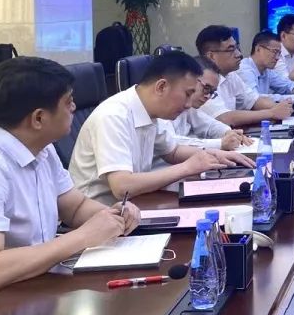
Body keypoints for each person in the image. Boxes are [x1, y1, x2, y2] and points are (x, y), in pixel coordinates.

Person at [0, 57, 140, 315]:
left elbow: (75, 207)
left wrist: (113, 216)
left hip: (26, 294)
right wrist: (82, 237)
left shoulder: (41, 147)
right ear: (38, 118)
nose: (74, 107)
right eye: (68, 102)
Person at [69, 51, 254, 205]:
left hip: (133, 207)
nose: (189, 104)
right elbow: (122, 186)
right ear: (161, 87)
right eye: (187, 94)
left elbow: (172, 151)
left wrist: (215, 155)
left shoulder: (149, 111)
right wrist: (187, 168)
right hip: (97, 218)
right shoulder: (113, 116)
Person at [195, 25, 294, 127]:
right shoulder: (202, 81)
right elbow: (224, 118)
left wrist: (282, 108)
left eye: (237, 47)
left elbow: (254, 100)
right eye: (231, 50)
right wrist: (272, 113)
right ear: (211, 56)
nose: (239, 54)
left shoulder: (231, 75)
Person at [168, 57, 253, 151]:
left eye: (212, 92)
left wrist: (229, 133)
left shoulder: (189, 106)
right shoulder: (163, 106)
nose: (208, 96)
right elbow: (169, 143)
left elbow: (209, 125)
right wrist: (220, 144)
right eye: (206, 88)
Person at [236, 30, 294, 104]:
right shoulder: (244, 69)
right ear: (258, 49)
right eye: (274, 52)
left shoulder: (267, 70)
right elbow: (256, 99)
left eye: (279, 53)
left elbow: (286, 84)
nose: (277, 58)